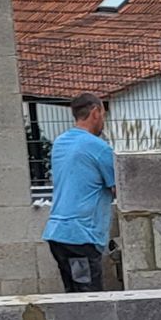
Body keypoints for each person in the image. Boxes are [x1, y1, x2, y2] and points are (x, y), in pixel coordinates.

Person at [41, 92, 115, 292]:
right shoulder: (99, 148)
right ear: (95, 112)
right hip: (80, 237)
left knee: (73, 296)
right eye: (104, 115)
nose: (104, 122)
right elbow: (120, 188)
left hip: (57, 235)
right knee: (88, 299)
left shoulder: (60, 142)